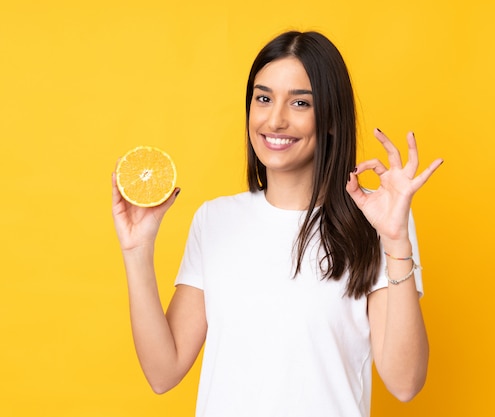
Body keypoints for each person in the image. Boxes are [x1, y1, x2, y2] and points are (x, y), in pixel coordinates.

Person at [112, 30, 442, 417]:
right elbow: (162, 372)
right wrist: (136, 252)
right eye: (263, 98)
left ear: (332, 118)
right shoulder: (215, 220)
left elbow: (405, 383)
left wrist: (397, 238)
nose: (275, 119)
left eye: (300, 103)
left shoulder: (376, 223)